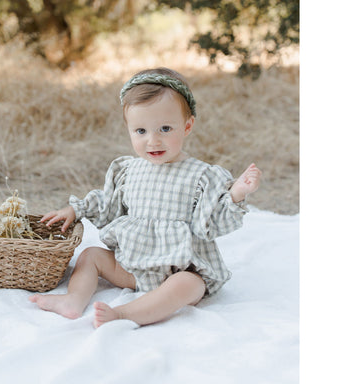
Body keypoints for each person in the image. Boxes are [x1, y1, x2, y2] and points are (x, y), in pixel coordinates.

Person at [29, 67, 262, 328]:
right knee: (90, 256)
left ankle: (124, 314)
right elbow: (108, 202)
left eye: (165, 128)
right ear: (129, 129)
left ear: (187, 126)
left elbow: (213, 221)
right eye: (141, 131)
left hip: (178, 268)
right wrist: (76, 209)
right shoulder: (128, 170)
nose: (153, 141)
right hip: (131, 266)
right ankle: (73, 299)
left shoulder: (201, 176)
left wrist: (237, 193)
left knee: (188, 285)